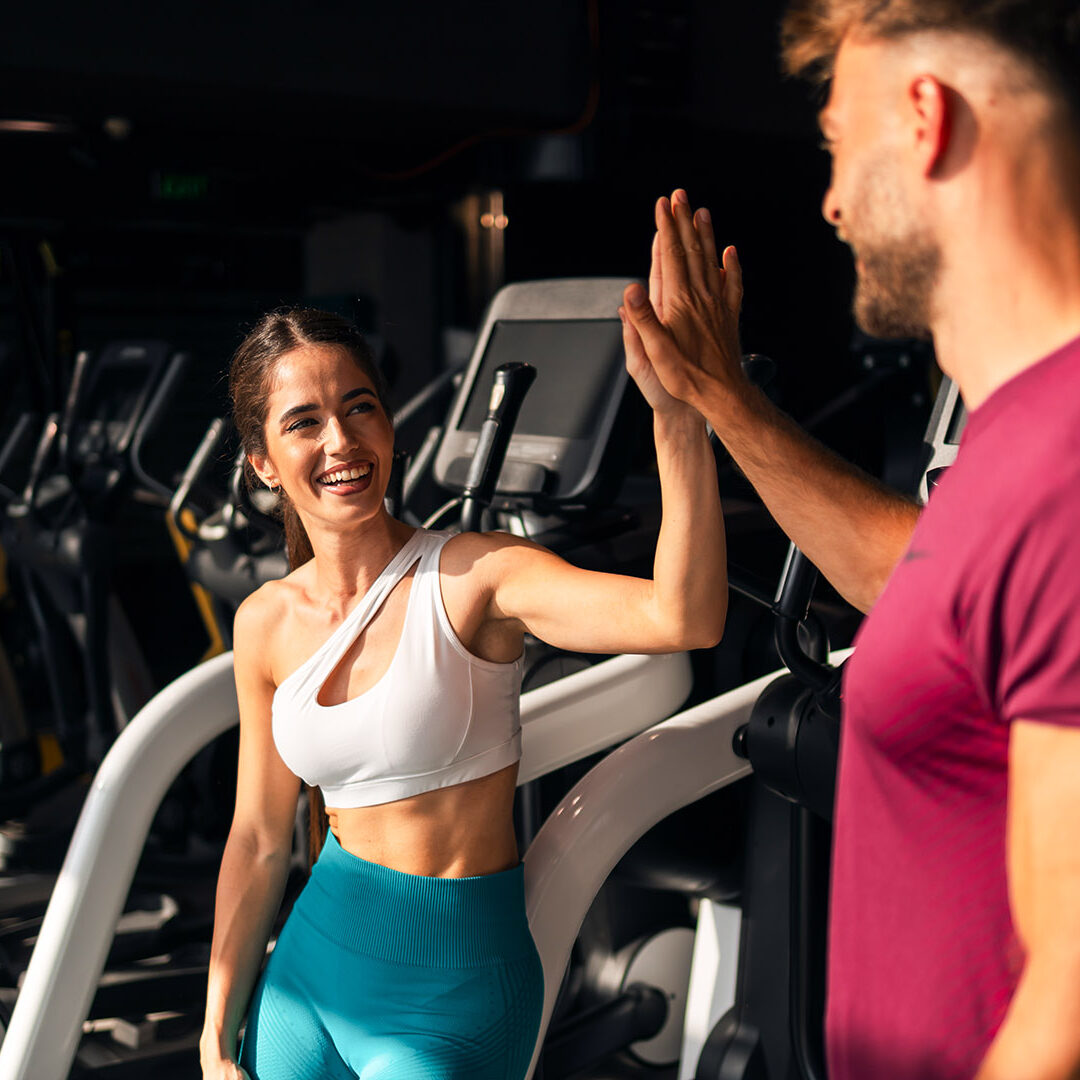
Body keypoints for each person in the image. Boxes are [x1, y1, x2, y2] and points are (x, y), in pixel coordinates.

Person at [619, 2, 1080, 1078]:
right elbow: (931, 600)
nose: (828, 203)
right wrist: (721, 401)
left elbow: (1066, 1001)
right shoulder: (1015, 432)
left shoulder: (1062, 459)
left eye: (837, 144)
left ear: (926, 118)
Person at [198, 306, 727, 1080]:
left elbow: (685, 615)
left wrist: (680, 416)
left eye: (359, 408)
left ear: (390, 426)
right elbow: (259, 837)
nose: (340, 442)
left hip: (448, 1001)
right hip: (307, 981)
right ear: (264, 463)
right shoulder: (265, 622)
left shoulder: (478, 577)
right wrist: (215, 1036)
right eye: (303, 422)